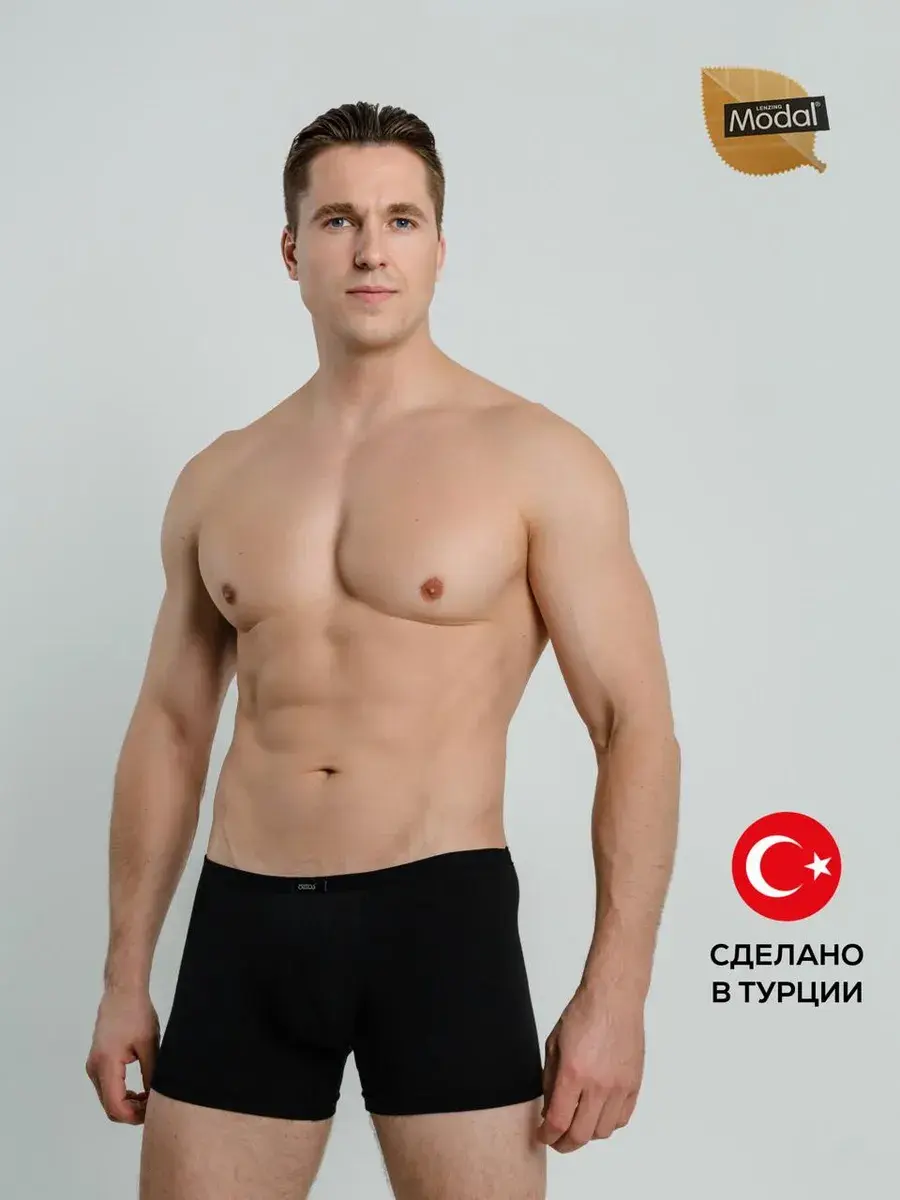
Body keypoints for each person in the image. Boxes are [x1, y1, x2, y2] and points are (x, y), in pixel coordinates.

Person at [85, 100, 680, 1200]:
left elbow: (631, 725)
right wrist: (125, 972)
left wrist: (619, 990)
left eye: (402, 220)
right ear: (291, 249)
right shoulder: (222, 476)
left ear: (440, 248)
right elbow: (170, 728)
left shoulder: (536, 458)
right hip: (244, 922)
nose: (371, 249)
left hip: (439, 918)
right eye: (340, 221)